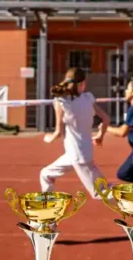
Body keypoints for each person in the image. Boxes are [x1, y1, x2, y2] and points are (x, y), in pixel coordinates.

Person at [40, 68, 111, 199]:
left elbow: (58, 132)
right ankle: (47, 208)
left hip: (79, 157)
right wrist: (100, 136)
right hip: (75, 154)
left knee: (100, 193)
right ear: (82, 83)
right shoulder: (88, 98)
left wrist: (48, 138)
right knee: (46, 174)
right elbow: (106, 119)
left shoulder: (61, 101)